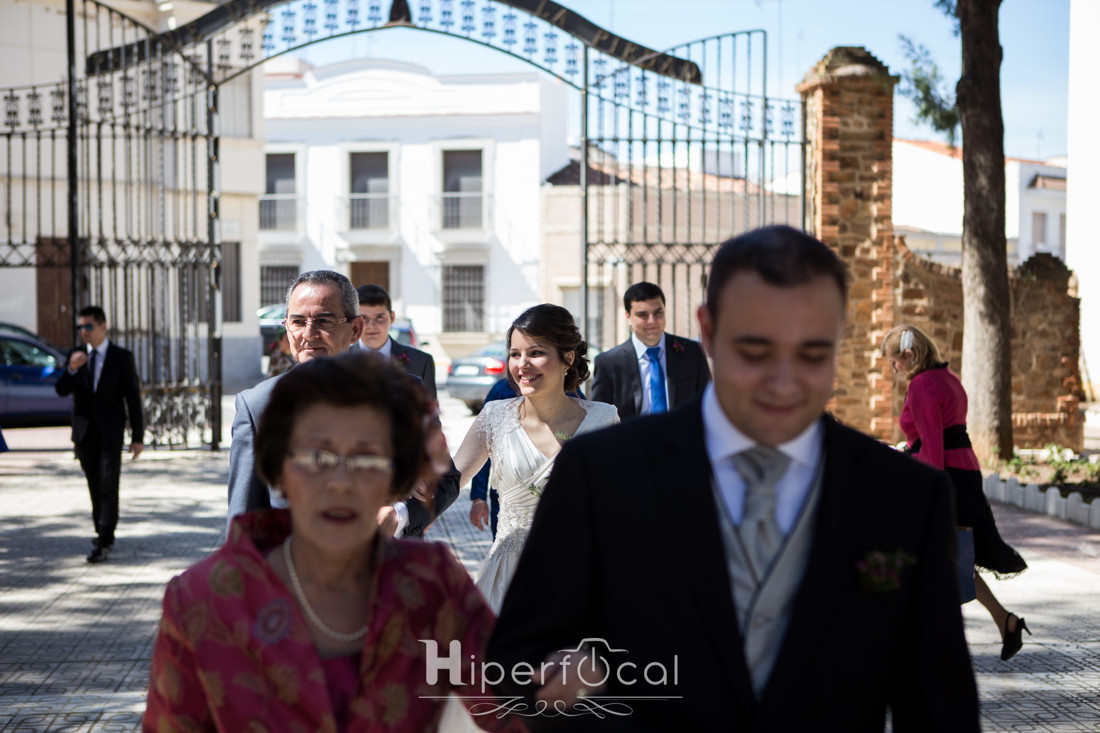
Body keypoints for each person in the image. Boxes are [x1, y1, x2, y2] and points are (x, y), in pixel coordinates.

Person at [487, 226, 979, 731]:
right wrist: (592, 682)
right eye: (756, 348)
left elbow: (941, 709)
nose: (783, 379)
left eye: (812, 351)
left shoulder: (905, 497)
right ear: (709, 329)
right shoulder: (602, 474)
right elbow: (516, 665)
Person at [144, 353, 520, 730]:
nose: (340, 482)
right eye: (316, 457)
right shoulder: (203, 601)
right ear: (278, 467)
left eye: (367, 459)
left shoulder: (431, 582)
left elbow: (508, 710)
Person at [227, 270, 459, 539]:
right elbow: (243, 526)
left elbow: (446, 479)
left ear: (355, 329)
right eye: (298, 321)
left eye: (324, 321)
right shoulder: (257, 407)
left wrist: (399, 515)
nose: (309, 334)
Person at [882, 323, 1030, 661]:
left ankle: (929, 638)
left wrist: (912, 470)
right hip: (965, 473)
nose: (893, 370)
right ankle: (1005, 622)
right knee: (952, 557)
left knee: (929, 554)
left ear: (909, 355)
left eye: (894, 362)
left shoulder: (922, 385)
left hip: (945, 477)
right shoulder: (948, 378)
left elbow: (933, 448)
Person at [55, 306, 144, 563]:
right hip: (84, 434)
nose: (84, 331)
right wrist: (71, 369)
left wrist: (138, 437)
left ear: (103, 326)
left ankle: (105, 537)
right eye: (80, 327)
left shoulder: (121, 357)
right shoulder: (76, 355)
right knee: (94, 484)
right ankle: (102, 530)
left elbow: (133, 398)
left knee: (108, 484)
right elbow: (61, 390)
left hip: (110, 433)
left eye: (88, 326)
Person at [469, 377, 590, 537]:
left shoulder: (567, 391)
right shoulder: (500, 390)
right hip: (509, 499)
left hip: (555, 496)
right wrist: (478, 497)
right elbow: (482, 451)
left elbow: (584, 440)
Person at [590, 281, 711, 420]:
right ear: (628, 316)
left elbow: (708, 404)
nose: (652, 321)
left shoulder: (693, 352)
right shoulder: (608, 363)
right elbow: (599, 419)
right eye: (643, 315)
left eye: (658, 313)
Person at [355, 283, 436, 401]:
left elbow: (430, 410)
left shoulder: (421, 361)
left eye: (379, 317)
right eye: (364, 318)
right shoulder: (339, 361)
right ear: (355, 321)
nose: (371, 326)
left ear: (392, 317)